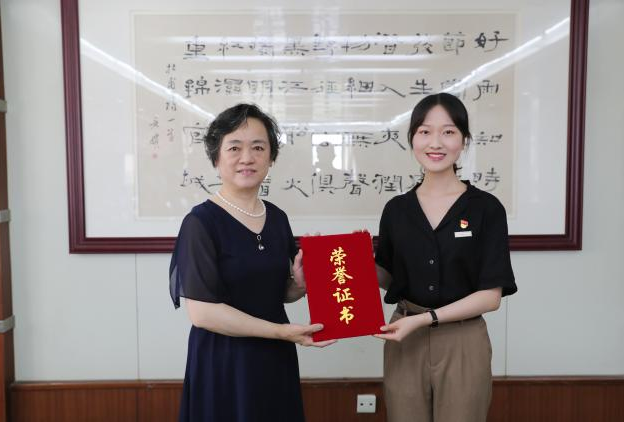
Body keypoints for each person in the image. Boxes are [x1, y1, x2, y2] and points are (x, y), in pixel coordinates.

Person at [169, 103, 334, 422]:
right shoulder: (200, 222)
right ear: (216, 158)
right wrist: (280, 332)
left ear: (271, 158)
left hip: (275, 356)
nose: (247, 157)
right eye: (234, 147)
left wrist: (299, 284)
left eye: (258, 147)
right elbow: (203, 313)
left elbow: (278, 292)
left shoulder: (277, 218)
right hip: (224, 361)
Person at [374, 93, 517, 422]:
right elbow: (390, 277)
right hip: (404, 336)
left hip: (462, 339)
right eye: (425, 131)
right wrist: (340, 262)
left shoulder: (486, 208)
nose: (435, 142)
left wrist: (424, 320)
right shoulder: (396, 210)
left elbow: (491, 296)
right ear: (412, 139)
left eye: (448, 132)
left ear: (464, 140)